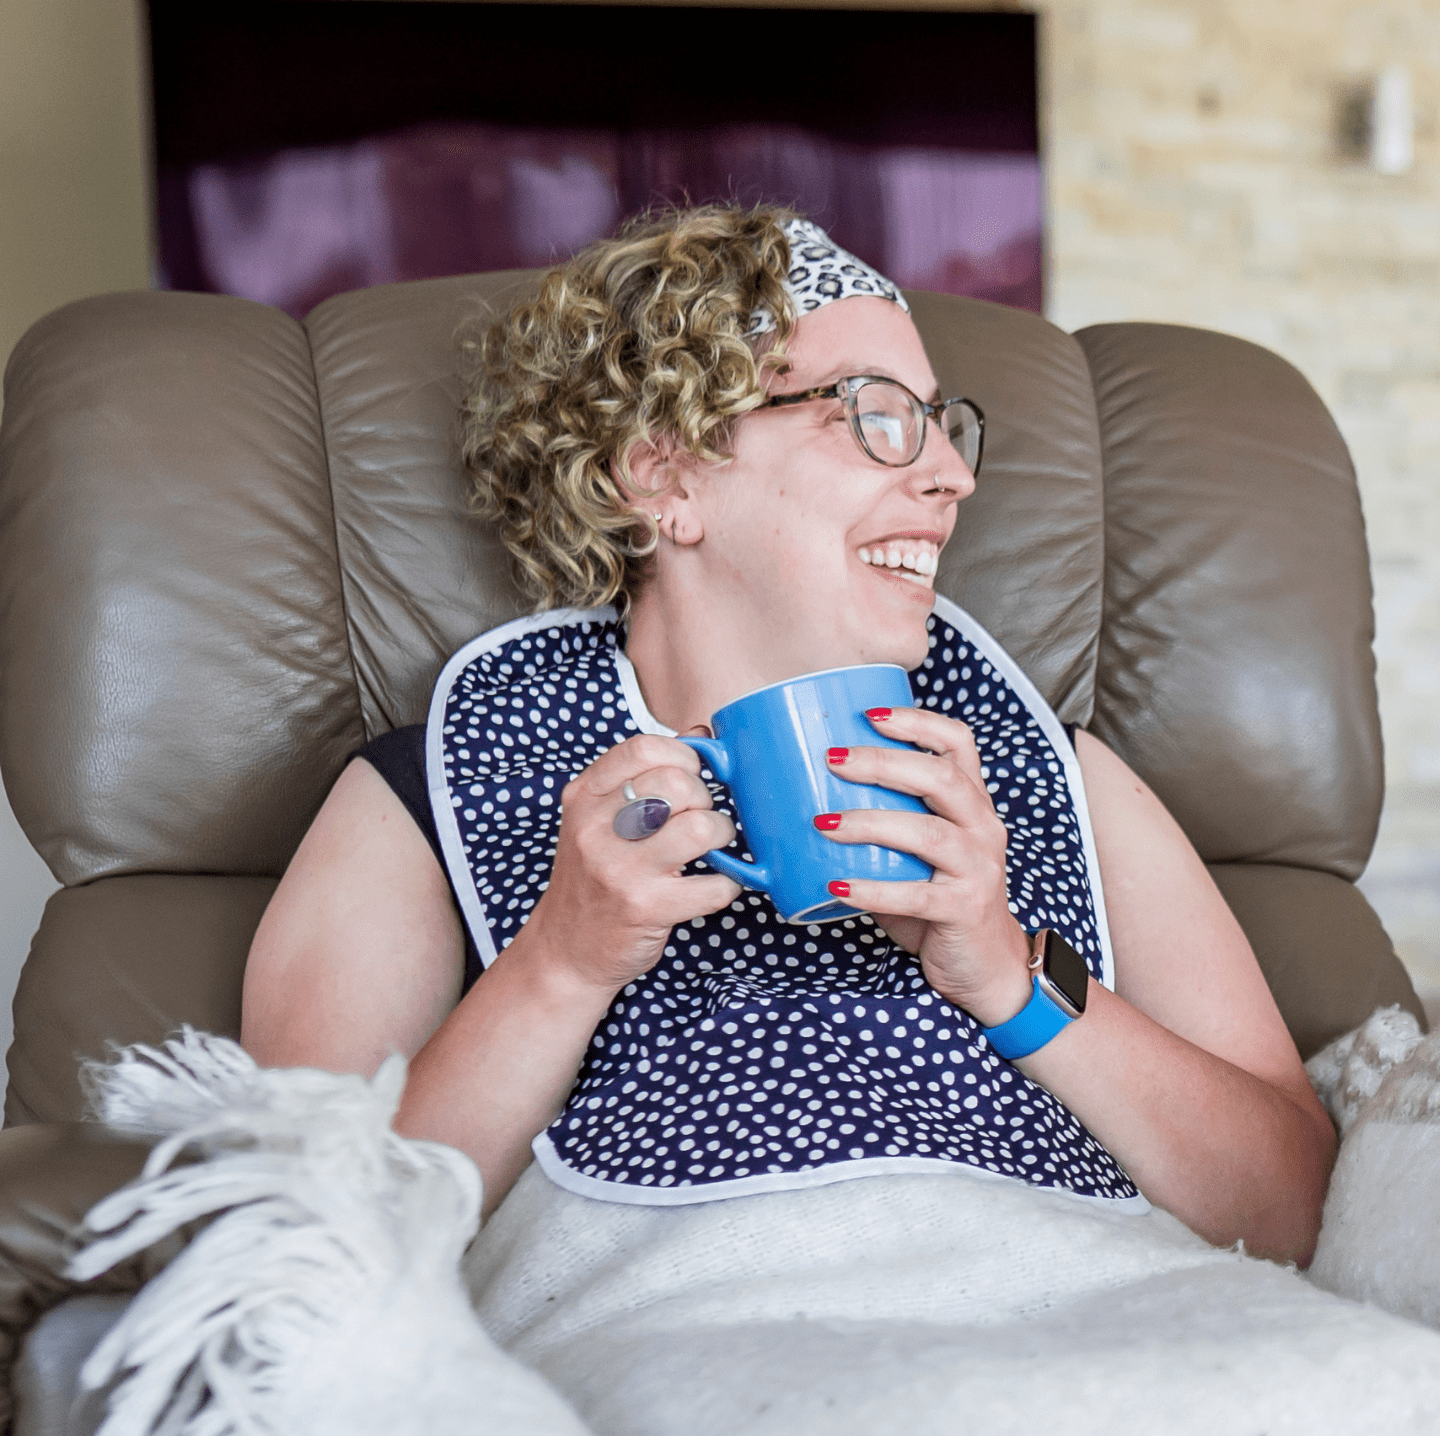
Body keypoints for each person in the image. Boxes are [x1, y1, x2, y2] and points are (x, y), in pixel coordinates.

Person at [240, 205, 1334, 1276]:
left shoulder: (1058, 773)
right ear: (663, 475)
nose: (951, 478)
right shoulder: (435, 790)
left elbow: (1289, 1205)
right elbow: (303, 1263)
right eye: (873, 412)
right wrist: (559, 968)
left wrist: (1009, 976)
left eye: (940, 425)